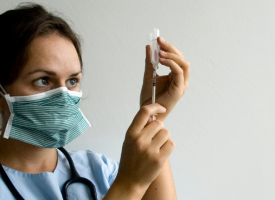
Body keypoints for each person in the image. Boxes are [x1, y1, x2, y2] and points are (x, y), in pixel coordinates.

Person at [0, 3, 190, 200]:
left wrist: (154, 112)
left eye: (72, 81)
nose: (63, 96)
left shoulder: (98, 170)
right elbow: (131, 184)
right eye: (43, 80)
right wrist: (130, 185)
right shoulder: (125, 177)